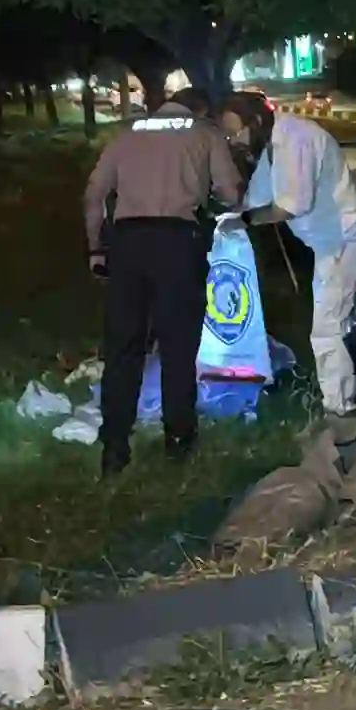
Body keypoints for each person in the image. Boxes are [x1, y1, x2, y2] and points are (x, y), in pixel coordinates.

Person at [84, 86, 243, 477]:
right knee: (178, 347)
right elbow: (230, 192)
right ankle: (178, 442)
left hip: (127, 245)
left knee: (123, 348)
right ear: (200, 108)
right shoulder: (205, 133)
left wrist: (95, 250)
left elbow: (93, 195)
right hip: (177, 244)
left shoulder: (127, 133)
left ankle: (115, 447)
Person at [233, 106, 356, 415]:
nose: (234, 140)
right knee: (344, 317)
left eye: (236, 132)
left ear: (255, 121)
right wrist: (231, 216)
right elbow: (254, 200)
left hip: (345, 237)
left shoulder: (296, 139)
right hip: (329, 241)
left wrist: (244, 219)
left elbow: (289, 206)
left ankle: (337, 407)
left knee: (328, 324)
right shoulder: (271, 146)